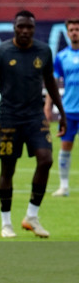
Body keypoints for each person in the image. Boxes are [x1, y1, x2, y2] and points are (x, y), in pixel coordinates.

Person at [0, 10, 66, 238]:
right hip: (9, 117)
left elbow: (50, 83)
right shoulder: (1, 52)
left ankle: (32, 216)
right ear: (14, 27)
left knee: (46, 160)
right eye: (21, 27)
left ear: (34, 29)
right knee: (8, 169)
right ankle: (6, 223)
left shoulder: (43, 51)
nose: (25, 31)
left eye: (30, 27)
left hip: (35, 116)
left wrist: (61, 111)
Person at [45, 18, 79, 197]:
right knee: (65, 147)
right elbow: (53, 83)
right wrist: (48, 106)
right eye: (72, 30)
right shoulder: (61, 57)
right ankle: (64, 186)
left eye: (77, 29)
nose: (74, 32)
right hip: (69, 111)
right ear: (67, 33)